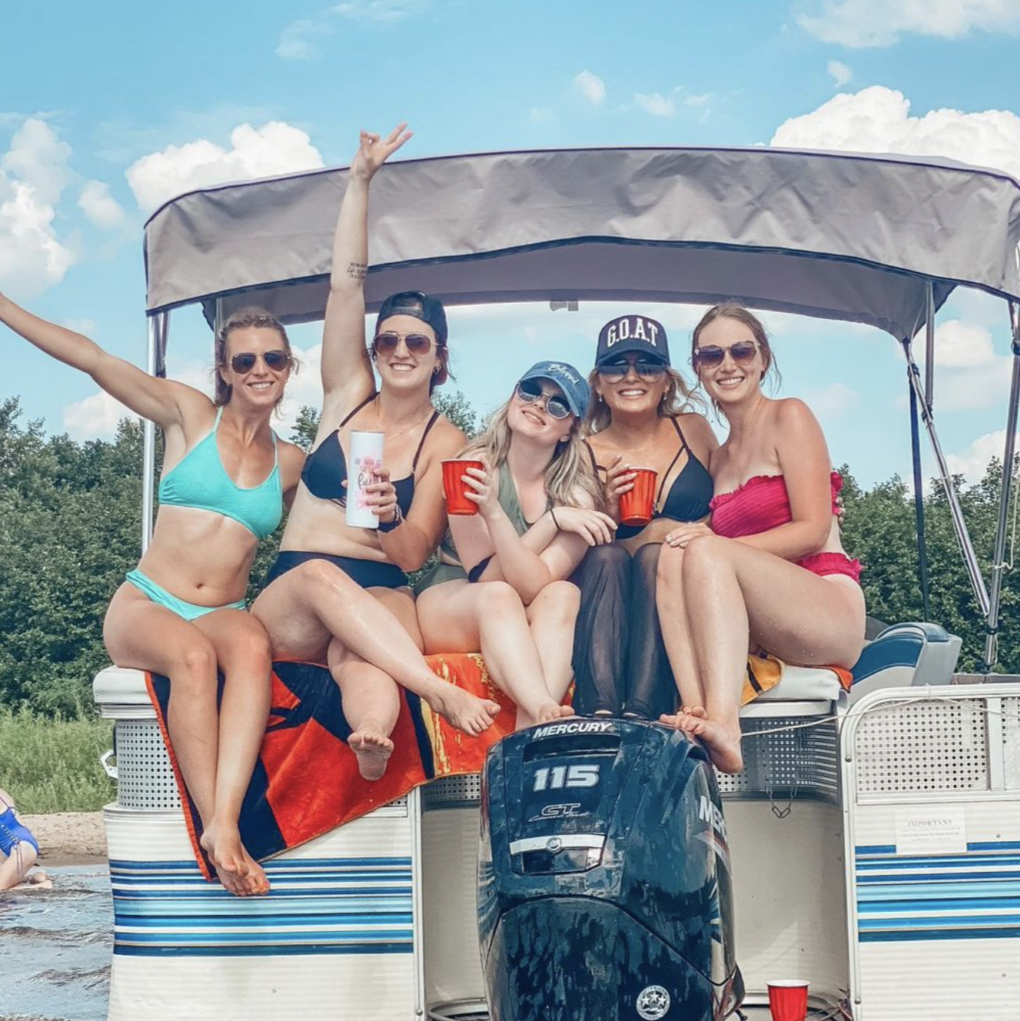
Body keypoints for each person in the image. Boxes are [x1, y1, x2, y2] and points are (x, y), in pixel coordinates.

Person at [0, 294, 307, 895]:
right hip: (147, 603)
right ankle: (215, 830)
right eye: (244, 361)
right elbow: (92, 358)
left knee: (249, 643)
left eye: (273, 358)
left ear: (289, 367)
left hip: (222, 609)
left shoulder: (290, 462)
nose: (259, 370)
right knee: (191, 657)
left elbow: (333, 531)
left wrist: (388, 508)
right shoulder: (190, 415)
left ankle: (225, 820)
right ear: (224, 370)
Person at [252, 124, 499, 782]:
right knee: (316, 582)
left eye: (416, 343)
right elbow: (344, 285)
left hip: (381, 580)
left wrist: (390, 516)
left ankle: (370, 735)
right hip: (297, 587)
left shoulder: (445, 439)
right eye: (389, 338)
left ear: (438, 355)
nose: (398, 351)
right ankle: (436, 690)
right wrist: (358, 181)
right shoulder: (348, 392)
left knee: (363, 648)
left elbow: (415, 554)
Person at [656, 304, 865, 773]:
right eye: (711, 356)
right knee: (671, 554)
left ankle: (726, 725)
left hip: (825, 604)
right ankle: (698, 710)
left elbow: (813, 530)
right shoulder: (720, 457)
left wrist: (716, 548)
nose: (727, 365)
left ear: (763, 358)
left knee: (700, 548)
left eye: (740, 350)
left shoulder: (789, 416)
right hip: (768, 618)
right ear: (698, 368)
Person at [416, 361, 616, 727]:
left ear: (569, 431)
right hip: (452, 597)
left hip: (517, 605)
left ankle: (528, 731)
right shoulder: (473, 467)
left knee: (563, 594)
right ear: (513, 396)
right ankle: (542, 708)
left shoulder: (578, 495)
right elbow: (487, 577)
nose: (539, 404)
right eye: (531, 391)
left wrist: (550, 515)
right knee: (498, 596)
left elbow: (533, 585)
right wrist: (545, 521)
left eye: (558, 404)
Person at [573, 314, 718, 719]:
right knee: (608, 556)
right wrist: (607, 512)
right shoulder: (581, 451)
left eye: (648, 365)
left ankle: (645, 712)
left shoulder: (694, 430)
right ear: (598, 383)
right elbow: (568, 549)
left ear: (667, 380)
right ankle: (597, 711)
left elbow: (732, 502)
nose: (631, 376)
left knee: (658, 557)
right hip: (606, 596)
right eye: (616, 366)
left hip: (681, 588)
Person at [0, 788, 49, 891]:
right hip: (22, 846)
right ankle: (34, 877)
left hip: (20, 849)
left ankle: (42, 886)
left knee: (1, 890)